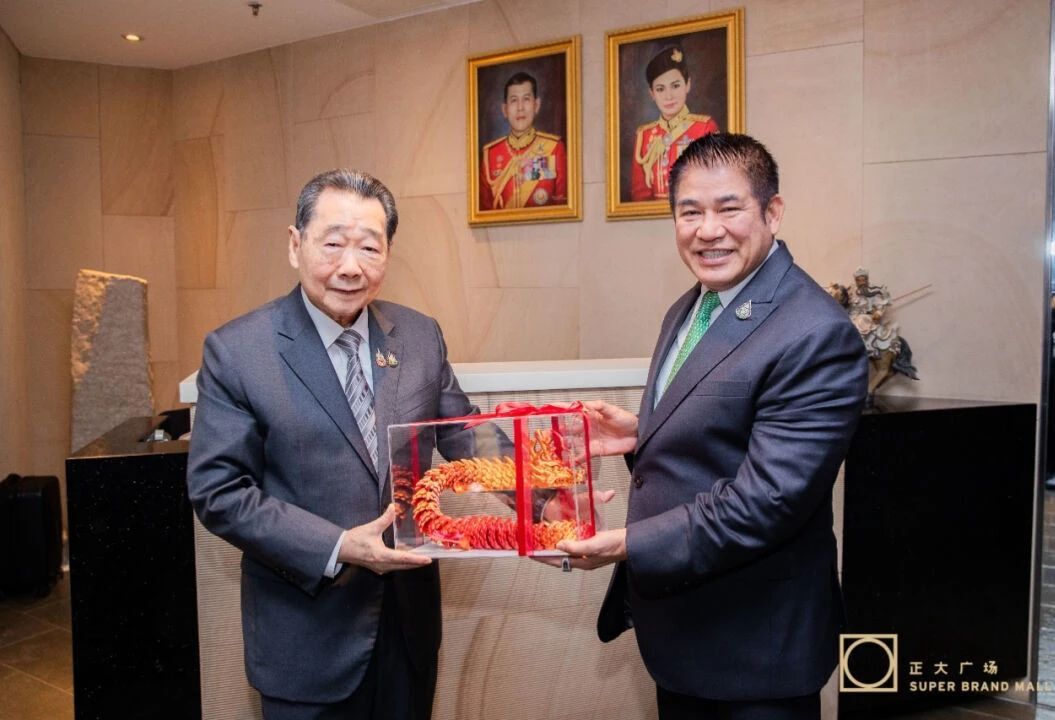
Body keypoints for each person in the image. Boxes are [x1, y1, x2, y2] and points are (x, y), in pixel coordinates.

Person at [551, 134, 868, 719]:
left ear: (772, 212)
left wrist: (627, 544)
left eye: (729, 208)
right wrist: (644, 434)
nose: (708, 230)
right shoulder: (692, 306)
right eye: (689, 211)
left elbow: (768, 500)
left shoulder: (814, 332)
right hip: (683, 634)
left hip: (752, 649)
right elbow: (723, 435)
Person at [187, 169, 481, 720]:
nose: (351, 266)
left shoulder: (419, 335)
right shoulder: (238, 351)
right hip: (306, 638)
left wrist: (545, 496)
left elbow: (463, 432)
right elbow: (219, 492)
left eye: (369, 247)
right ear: (295, 244)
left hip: (408, 631)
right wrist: (338, 545)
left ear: (388, 253)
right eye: (333, 244)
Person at [630, 46, 719, 202]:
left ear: (688, 84)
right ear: (652, 94)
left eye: (675, 86)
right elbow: (640, 195)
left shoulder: (704, 128)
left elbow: (714, 184)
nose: (669, 96)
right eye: (660, 89)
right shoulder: (644, 135)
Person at [480, 71, 567, 210]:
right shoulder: (490, 155)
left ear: (536, 105)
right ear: (505, 109)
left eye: (526, 99)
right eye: (514, 100)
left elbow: (563, 205)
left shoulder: (554, 148)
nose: (520, 108)